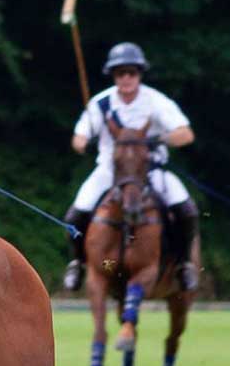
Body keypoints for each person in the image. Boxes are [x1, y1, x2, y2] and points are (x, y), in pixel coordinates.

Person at [59, 42, 197, 293]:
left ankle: (183, 264)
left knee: (187, 210)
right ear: (113, 75)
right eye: (119, 72)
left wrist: (159, 139)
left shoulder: (155, 101)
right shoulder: (100, 104)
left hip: (151, 171)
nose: (125, 78)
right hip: (110, 172)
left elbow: (185, 134)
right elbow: (77, 138)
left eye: (131, 72)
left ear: (139, 73)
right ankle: (77, 262)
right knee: (74, 216)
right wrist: (85, 144)